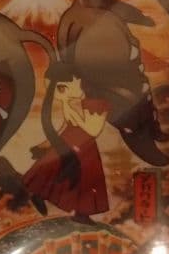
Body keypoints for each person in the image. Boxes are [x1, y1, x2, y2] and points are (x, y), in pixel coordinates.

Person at [23, 65, 111, 225]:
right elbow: (65, 125)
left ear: (78, 81)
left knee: (86, 180)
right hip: (66, 142)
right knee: (48, 169)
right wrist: (46, 144)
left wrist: (72, 107)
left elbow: (93, 130)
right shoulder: (70, 101)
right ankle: (37, 195)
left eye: (61, 89)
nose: (57, 95)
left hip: (85, 147)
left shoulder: (96, 103)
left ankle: (82, 213)